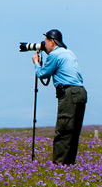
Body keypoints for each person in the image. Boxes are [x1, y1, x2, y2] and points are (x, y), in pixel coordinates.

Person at [31, 29, 87, 165]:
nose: (44, 46)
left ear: (52, 42)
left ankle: (59, 166)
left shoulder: (55, 55)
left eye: (45, 43)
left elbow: (43, 74)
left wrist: (36, 63)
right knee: (73, 131)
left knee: (63, 130)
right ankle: (69, 164)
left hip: (69, 94)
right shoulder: (68, 52)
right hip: (80, 92)